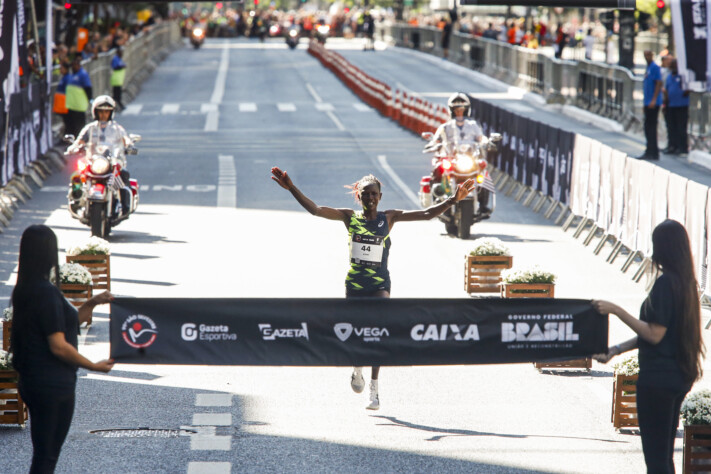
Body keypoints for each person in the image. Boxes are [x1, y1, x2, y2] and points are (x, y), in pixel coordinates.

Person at [271, 167, 476, 410]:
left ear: (380, 197)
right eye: (365, 194)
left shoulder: (388, 218)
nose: (370, 198)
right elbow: (316, 210)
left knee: (377, 330)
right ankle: (357, 366)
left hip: (380, 285)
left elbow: (427, 213)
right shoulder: (349, 217)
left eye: (374, 194)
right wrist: (292, 188)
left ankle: (375, 388)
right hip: (355, 285)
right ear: (358, 196)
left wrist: (454, 199)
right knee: (359, 333)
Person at [592, 219, 705, 473]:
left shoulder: (666, 284)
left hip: (657, 380)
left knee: (656, 459)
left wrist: (616, 310)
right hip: (678, 375)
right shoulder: (687, 283)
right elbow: (661, 333)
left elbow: (654, 334)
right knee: (664, 456)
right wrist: (616, 350)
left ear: (662, 248)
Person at [9, 225, 114, 473]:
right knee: (46, 457)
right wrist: (94, 366)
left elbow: (67, 323)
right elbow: (58, 346)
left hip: (35, 381)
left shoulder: (25, 289)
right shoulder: (46, 292)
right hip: (53, 385)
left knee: (45, 455)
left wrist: (93, 302)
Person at [68, 95, 136, 216]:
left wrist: (130, 145)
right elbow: (79, 141)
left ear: (111, 113)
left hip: (111, 161)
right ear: (95, 113)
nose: (104, 114)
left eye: (106, 112)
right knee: (76, 175)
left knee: (123, 175)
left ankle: (125, 206)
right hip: (93, 161)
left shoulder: (117, 128)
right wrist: (73, 148)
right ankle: (76, 200)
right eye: (101, 111)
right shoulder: (90, 128)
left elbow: (126, 139)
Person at [430, 93, 491, 215]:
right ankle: (437, 197)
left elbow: (481, 138)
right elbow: (436, 140)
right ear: (452, 111)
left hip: (469, 159)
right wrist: (434, 144)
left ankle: (483, 204)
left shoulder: (473, 125)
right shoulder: (445, 127)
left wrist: (486, 142)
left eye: (462, 110)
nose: (459, 113)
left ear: (466, 110)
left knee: (483, 174)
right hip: (452, 159)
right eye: (456, 110)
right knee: (438, 169)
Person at [638, 50, 664, 160]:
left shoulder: (655, 67)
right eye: (645, 55)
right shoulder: (648, 68)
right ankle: (650, 150)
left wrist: (654, 99)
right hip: (647, 102)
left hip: (653, 102)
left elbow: (659, 83)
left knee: (651, 127)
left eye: (648, 55)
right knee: (647, 127)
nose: (646, 57)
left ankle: (653, 152)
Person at [664, 59, 690, 155]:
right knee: (671, 127)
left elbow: (689, 87)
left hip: (682, 105)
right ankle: (672, 146)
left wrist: (685, 92)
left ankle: (682, 147)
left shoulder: (683, 76)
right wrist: (665, 103)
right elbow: (667, 90)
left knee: (681, 128)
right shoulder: (669, 77)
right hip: (671, 105)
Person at [64, 56, 93, 138]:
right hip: (71, 105)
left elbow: (88, 88)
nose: (72, 67)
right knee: (71, 125)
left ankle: (81, 140)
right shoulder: (72, 75)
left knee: (79, 125)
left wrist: (90, 100)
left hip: (79, 106)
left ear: (78, 65)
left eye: (74, 65)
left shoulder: (83, 74)